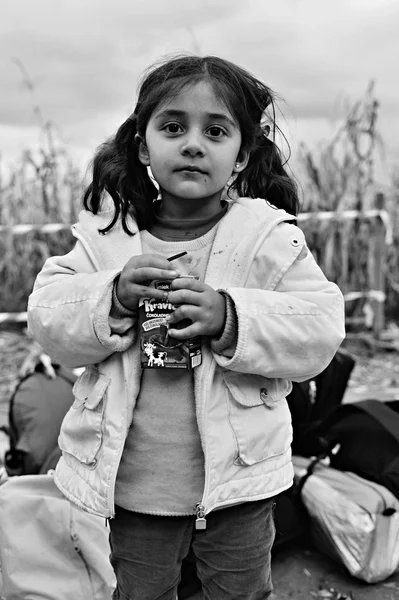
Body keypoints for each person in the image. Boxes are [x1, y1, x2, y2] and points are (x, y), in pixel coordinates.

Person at [27, 54, 345, 600]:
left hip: (239, 485)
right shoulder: (107, 242)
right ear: (144, 147)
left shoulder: (267, 239)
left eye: (215, 131)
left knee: (241, 592)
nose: (193, 143)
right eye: (173, 127)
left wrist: (231, 316)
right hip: (136, 486)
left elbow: (319, 328)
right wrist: (113, 297)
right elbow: (48, 317)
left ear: (241, 155)